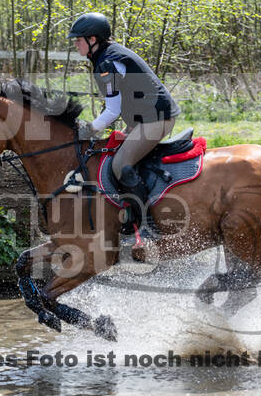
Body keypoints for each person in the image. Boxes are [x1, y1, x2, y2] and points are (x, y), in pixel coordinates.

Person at [68, 12, 181, 239]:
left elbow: (112, 110)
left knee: (121, 165)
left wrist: (88, 129)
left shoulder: (107, 62)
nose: (75, 44)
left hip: (156, 117)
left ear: (93, 39)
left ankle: (148, 224)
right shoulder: (107, 55)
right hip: (145, 117)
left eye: (79, 39)